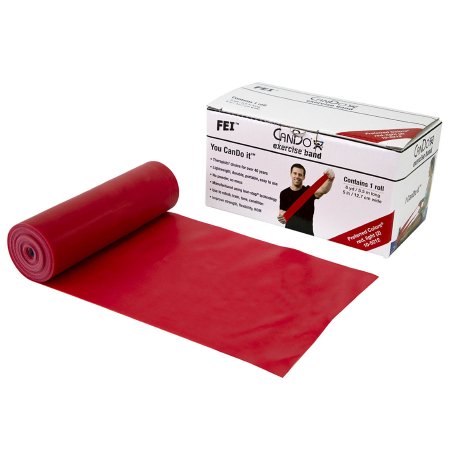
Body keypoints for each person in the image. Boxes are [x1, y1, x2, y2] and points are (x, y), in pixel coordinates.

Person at [277, 163, 335, 235]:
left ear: (304, 177)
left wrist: (330, 180)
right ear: (291, 174)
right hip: (289, 234)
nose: (297, 176)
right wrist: (282, 218)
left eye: (300, 175)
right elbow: (282, 212)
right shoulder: (284, 193)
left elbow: (323, 190)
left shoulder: (308, 191)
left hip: (307, 235)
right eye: (295, 173)